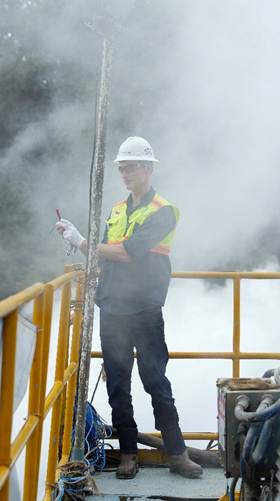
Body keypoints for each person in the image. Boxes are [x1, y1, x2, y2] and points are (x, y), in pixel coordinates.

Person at [56, 136, 203, 480]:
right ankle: (128, 455)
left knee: (155, 380)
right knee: (118, 384)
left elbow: (126, 252)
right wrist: (79, 244)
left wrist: (82, 242)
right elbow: (106, 255)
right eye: (122, 168)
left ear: (149, 169)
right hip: (113, 307)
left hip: (145, 308)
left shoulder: (164, 211)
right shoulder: (119, 210)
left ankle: (178, 454)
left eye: (131, 166)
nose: (125, 173)